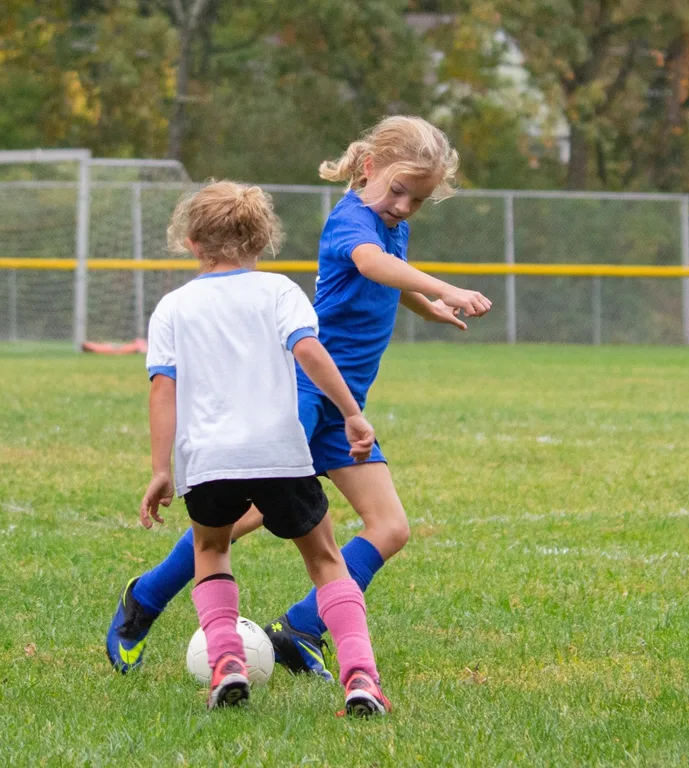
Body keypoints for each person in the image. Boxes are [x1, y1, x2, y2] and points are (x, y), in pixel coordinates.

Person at [108, 115, 492, 681]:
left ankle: (300, 629)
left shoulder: (391, 222)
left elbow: (389, 274)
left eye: (419, 199)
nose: (406, 207)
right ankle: (145, 599)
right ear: (370, 169)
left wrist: (421, 303)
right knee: (242, 517)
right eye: (399, 191)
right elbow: (368, 263)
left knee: (389, 527)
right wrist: (444, 287)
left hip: (343, 406)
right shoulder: (350, 219)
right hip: (304, 395)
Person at [135, 180, 390, 714]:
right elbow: (310, 353)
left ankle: (226, 663)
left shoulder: (173, 307)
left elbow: (164, 390)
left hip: (208, 464)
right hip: (280, 455)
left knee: (212, 550)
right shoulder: (278, 291)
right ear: (262, 240)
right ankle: (361, 676)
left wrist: (161, 469)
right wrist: (351, 413)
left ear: (191, 242)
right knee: (324, 560)